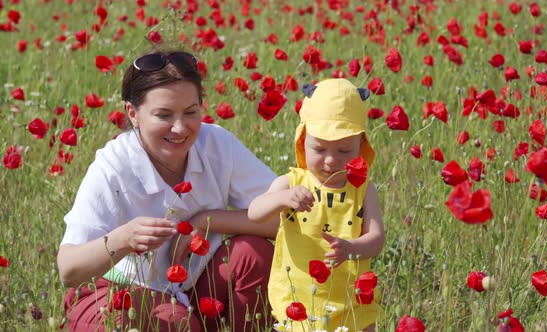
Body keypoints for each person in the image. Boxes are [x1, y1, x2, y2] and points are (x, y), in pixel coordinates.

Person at [57, 49, 278, 332]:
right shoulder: (114, 165)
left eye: (190, 112)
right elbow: (68, 270)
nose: (179, 128)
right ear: (133, 114)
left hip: (193, 283)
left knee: (253, 254)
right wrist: (124, 238)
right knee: (178, 325)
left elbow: (285, 218)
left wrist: (208, 220)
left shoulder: (217, 144)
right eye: (163, 115)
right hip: (116, 291)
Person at [248, 78, 385, 331]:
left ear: (361, 147)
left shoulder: (363, 190)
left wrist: (351, 247)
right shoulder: (292, 183)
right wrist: (281, 199)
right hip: (301, 302)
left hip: (352, 301)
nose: (331, 161)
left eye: (344, 151)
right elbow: (254, 213)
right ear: (302, 142)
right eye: (319, 149)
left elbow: (376, 239)